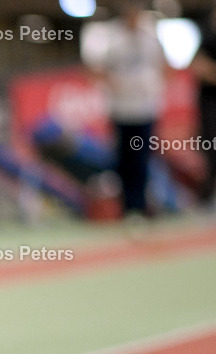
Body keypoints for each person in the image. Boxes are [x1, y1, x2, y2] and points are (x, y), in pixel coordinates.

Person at [87, 0, 169, 217]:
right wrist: (113, 82)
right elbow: (96, 69)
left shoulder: (151, 38)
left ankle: (140, 206)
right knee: (123, 159)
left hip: (146, 109)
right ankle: (126, 206)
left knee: (143, 159)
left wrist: (155, 86)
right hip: (121, 109)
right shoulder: (112, 39)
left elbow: (165, 66)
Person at [192, 1, 216, 206]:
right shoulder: (208, 35)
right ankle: (210, 199)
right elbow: (197, 66)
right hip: (213, 105)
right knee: (214, 150)